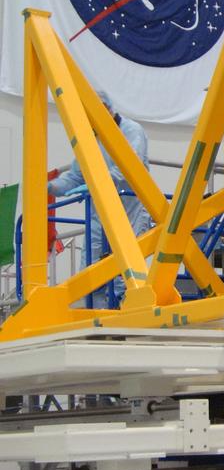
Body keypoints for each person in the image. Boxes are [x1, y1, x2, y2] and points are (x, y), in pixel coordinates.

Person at [49, 90, 149, 307]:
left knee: (127, 265)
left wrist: (95, 183)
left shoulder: (132, 131)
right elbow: (76, 175)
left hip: (130, 207)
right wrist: (50, 187)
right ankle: (93, 311)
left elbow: (128, 168)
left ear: (108, 109)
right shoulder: (91, 138)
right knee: (92, 267)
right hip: (100, 211)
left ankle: (127, 310)